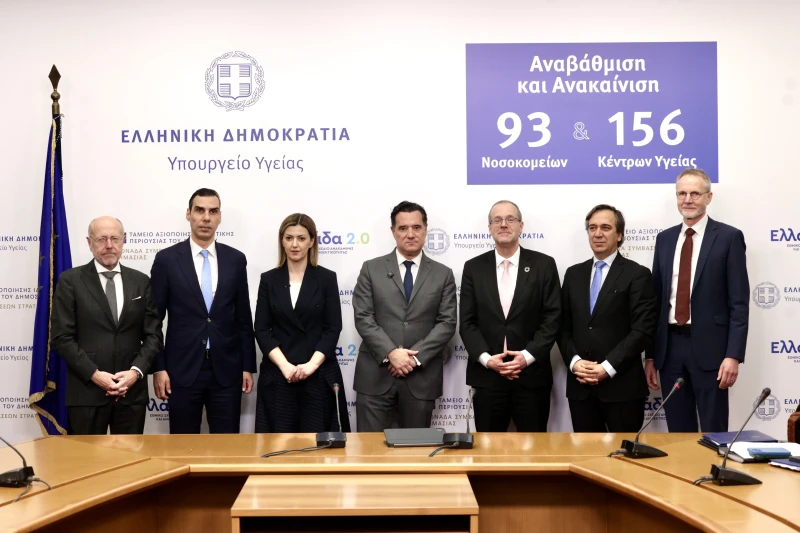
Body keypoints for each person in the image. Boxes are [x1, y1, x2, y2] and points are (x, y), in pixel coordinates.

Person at [647, 169, 749, 432]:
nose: (687, 199)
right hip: (669, 350)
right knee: (678, 433)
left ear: (708, 197)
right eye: (682, 193)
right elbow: (655, 301)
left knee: (715, 432)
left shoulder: (728, 237)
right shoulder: (664, 239)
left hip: (712, 351)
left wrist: (733, 355)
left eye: (695, 193)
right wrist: (650, 356)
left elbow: (739, 303)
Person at [150, 188, 256, 434]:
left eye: (213, 211)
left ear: (220, 217)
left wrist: (247, 366)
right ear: (189, 214)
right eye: (200, 210)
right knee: (183, 447)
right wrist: (158, 367)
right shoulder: (167, 260)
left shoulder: (236, 259)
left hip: (227, 370)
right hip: (181, 370)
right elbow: (153, 320)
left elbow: (243, 317)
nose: (206, 217)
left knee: (227, 447)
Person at [50, 216, 163, 434]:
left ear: (124, 240)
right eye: (101, 239)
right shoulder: (70, 281)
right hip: (86, 393)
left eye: (115, 239)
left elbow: (154, 335)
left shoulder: (140, 281)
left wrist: (135, 372)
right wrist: (95, 375)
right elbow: (61, 337)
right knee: (87, 456)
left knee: (130, 456)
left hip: (131, 393)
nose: (109, 245)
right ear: (89, 242)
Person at [353, 201, 457, 431]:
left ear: (425, 229)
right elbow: (363, 316)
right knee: (369, 448)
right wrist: (391, 353)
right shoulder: (371, 269)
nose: (410, 234)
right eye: (403, 228)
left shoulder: (443, 274)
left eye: (416, 227)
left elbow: (447, 323)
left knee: (416, 449)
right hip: (375, 376)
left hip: (421, 377)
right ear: (393, 231)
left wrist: (412, 359)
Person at [460, 200, 560, 432]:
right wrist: (487, 360)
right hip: (487, 378)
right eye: (497, 220)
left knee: (535, 448)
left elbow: (552, 318)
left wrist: (526, 357)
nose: (503, 224)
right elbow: (467, 322)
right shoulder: (473, 267)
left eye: (510, 219)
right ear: (489, 228)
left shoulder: (544, 265)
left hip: (532, 377)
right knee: (487, 449)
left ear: (521, 225)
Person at [559, 205, 658, 432]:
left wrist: (608, 367)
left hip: (622, 388)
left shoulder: (637, 274)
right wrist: (575, 362)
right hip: (581, 388)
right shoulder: (573, 274)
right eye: (592, 228)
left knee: (623, 454)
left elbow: (642, 330)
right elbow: (562, 328)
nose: (598, 234)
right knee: (585, 453)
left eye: (605, 227)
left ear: (619, 234)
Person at [253, 214, 350, 432]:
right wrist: (285, 366)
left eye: (301, 238)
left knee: (319, 445)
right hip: (279, 375)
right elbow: (262, 329)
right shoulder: (268, 279)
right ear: (282, 241)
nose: (294, 244)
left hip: (318, 374)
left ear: (312, 241)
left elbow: (333, 328)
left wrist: (311, 366)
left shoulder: (326, 278)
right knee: (277, 446)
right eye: (289, 238)